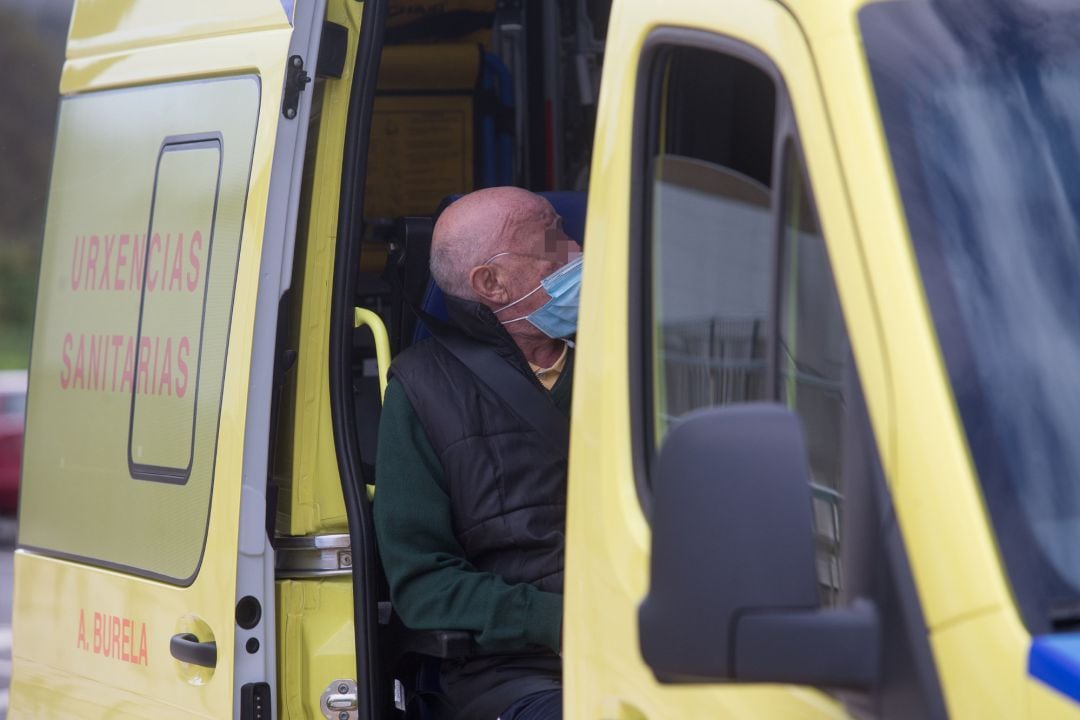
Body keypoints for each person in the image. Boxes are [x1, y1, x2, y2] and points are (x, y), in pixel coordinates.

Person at [374, 186, 582, 720]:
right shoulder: (421, 389)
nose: (577, 250)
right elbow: (424, 584)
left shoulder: (628, 355)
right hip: (516, 671)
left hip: (662, 637)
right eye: (552, 241)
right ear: (491, 283)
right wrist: (558, 621)